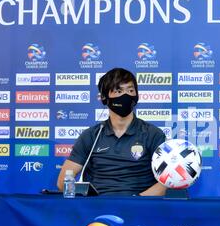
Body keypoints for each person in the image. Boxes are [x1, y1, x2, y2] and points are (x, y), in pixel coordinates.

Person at [57, 68, 167, 196]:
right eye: (119, 91)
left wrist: (136, 200)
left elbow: (166, 182)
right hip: (98, 208)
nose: (126, 95)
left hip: (138, 207)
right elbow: (62, 183)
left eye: (131, 90)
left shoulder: (153, 134)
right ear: (104, 97)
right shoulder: (91, 136)